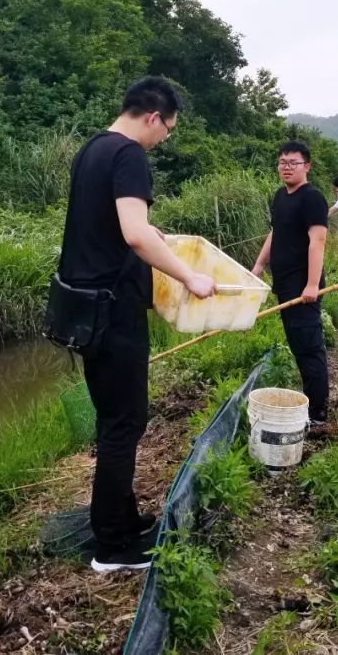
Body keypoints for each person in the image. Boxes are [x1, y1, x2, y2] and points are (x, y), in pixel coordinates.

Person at [57, 77, 215, 572]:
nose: (164, 138)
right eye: (168, 129)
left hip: (84, 311)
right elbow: (133, 235)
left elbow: (112, 226)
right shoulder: (129, 155)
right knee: (124, 424)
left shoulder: (93, 149)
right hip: (112, 311)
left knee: (116, 418)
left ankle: (123, 519)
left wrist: (149, 231)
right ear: (153, 117)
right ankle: (112, 547)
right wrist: (190, 276)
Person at [251, 140, 331, 430]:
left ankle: (318, 415)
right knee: (299, 345)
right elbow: (275, 233)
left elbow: (317, 241)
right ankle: (311, 403)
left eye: (293, 163)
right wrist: (259, 265)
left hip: (303, 289)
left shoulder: (313, 198)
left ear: (306, 166)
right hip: (284, 285)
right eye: (282, 162)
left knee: (309, 348)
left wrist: (312, 284)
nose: (286, 167)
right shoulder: (280, 196)